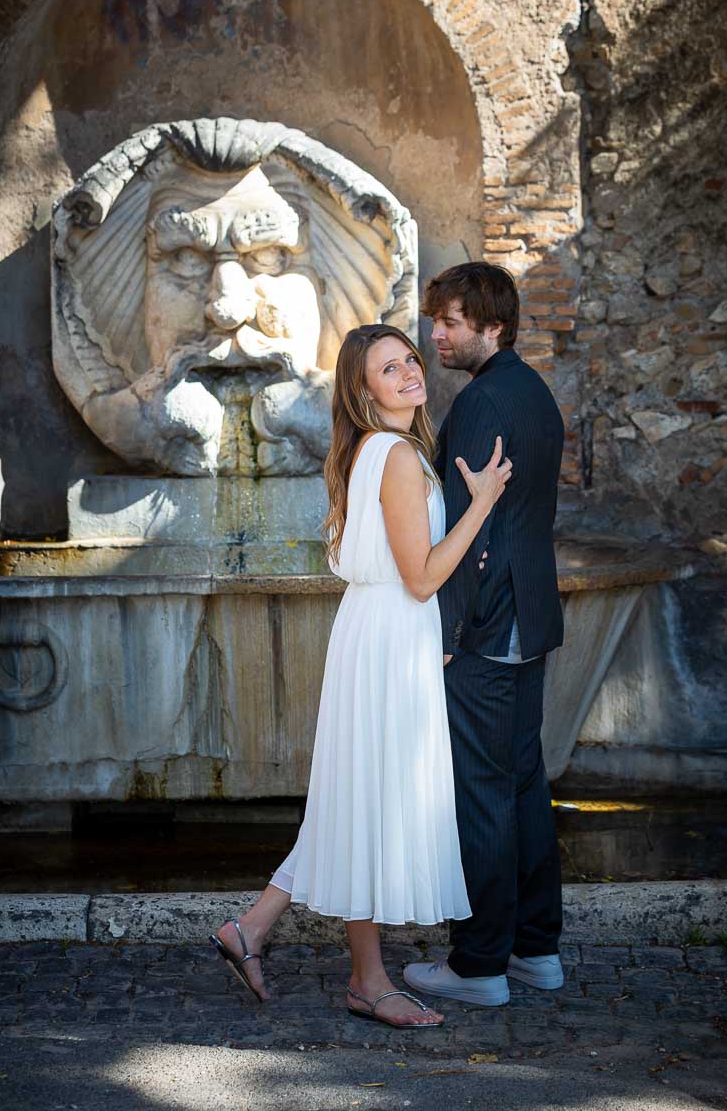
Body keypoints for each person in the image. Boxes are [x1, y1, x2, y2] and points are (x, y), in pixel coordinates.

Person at [210, 322, 512, 1028]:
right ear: (363, 387)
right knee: (369, 805)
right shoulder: (398, 457)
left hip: (381, 635)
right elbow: (422, 576)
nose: (410, 372)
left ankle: (253, 927)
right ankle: (368, 983)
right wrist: (483, 505)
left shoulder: (380, 450)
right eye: (389, 368)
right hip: (387, 637)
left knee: (355, 800)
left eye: (411, 359)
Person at [403, 262, 565, 1008]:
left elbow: (476, 535)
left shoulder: (479, 403)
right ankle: (535, 950)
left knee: (484, 798)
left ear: (493, 328)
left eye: (453, 322)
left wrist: (450, 626)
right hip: (529, 621)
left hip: (486, 629)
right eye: (435, 320)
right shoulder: (534, 394)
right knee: (524, 788)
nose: (436, 334)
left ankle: (479, 966)